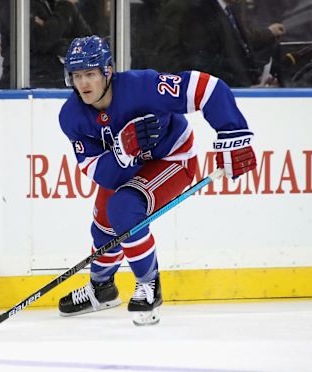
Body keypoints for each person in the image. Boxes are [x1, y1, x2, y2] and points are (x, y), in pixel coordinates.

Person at [58, 35, 257, 325]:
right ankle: (102, 289)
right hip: (129, 164)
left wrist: (233, 136)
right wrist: (123, 151)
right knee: (103, 221)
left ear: (108, 72)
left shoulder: (145, 87)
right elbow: (99, 172)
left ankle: (148, 285)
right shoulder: (71, 116)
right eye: (77, 76)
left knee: (123, 209)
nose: (84, 84)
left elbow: (209, 88)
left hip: (172, 158)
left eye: (90, 74)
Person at [154, 0, 285, 87]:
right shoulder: (199, 11)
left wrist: (257, 80)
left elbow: (240, 44)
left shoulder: (229, 9)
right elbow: (205, 65)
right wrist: (244, 86)